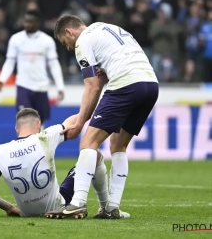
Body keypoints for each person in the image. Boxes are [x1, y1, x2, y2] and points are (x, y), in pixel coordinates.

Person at [45, 15, 159, 219]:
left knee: (88, 143)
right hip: (150, 85)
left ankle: (77, 203)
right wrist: (105, 74)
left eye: (65, 43)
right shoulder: (107, 28)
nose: (69, 48)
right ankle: (111, 208)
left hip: (126, 84)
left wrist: (80, 123)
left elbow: (92, 86)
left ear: (69, 32)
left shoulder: (82, 41)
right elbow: (110, 68)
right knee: (118, 145)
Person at [0, 108, 111, 218]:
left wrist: (9, 208)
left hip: (27, 213)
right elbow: (75, 122)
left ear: (16, 129)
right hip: (58, 206)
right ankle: (105, 208)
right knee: (95, 155)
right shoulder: (45, 137)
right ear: (39, 124)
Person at [0, 10, 65, 125]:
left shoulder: (47, 41)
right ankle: (25, 141)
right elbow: (10, 61)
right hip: (24, 85)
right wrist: (2, 79)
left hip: (41, 86)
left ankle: (39, 142)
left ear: (37, 22)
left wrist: (60, 86)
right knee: (25, 119)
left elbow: (53, 64)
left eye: (30, 22)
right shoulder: (16, 39)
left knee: (40, 122)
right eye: (26, 21)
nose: (27, 24)